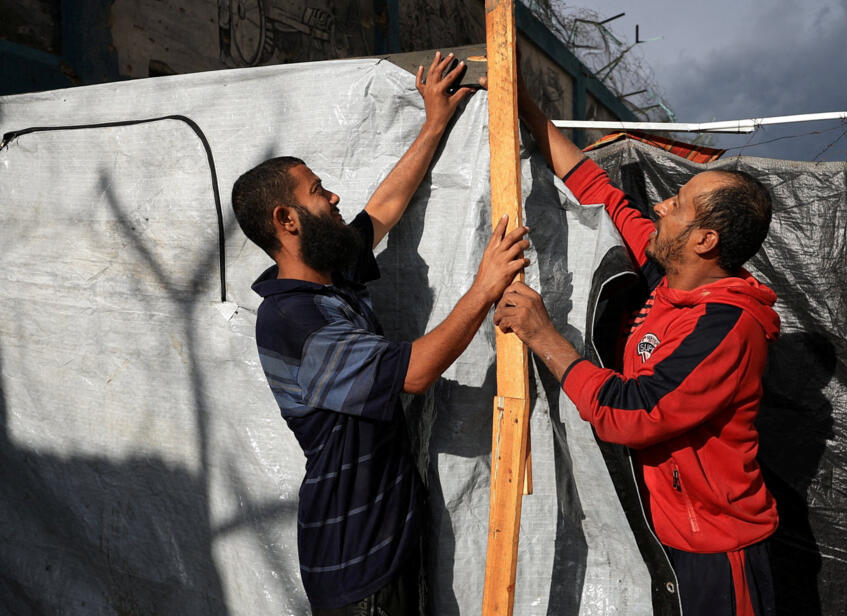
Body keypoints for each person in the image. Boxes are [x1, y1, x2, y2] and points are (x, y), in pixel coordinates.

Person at [230, 53, 529, 614]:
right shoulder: (293, 320)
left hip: (386, 537)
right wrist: (484, 288)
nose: (334, 197)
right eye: (317, 191)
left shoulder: (328, 272)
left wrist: (434, 122)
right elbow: (412, 373)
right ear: (286, 220)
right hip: (357, 565)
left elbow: (385, 207)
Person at [492, 82, 781, 616]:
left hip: (713, 549)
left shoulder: (726, 326)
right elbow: (596, 188)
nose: (660, 204)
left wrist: (544, 335)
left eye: (678, 204)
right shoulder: (666, 275)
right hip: (662, 530)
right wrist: (523, 105)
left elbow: (633, 412)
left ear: (705, 240)